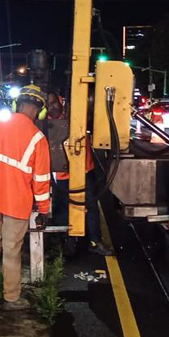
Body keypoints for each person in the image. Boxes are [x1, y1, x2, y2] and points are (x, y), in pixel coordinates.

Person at [0, 84, 51, 311]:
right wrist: (44, 210)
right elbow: (41, 180)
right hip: (16, 204)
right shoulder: (38, 139)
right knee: (11, 249)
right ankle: (11, 296)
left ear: (16, 105)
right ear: (39, 111)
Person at [46, 92, 113, 256]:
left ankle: (94, 241)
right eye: (48, 104)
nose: (52, 107)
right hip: (63, 176)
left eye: (54, 102)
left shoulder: (76, 115)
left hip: (85, 170)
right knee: (64, 210)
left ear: (60, 101)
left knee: (91, 206)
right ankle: (65, 244)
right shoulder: (46, 124)